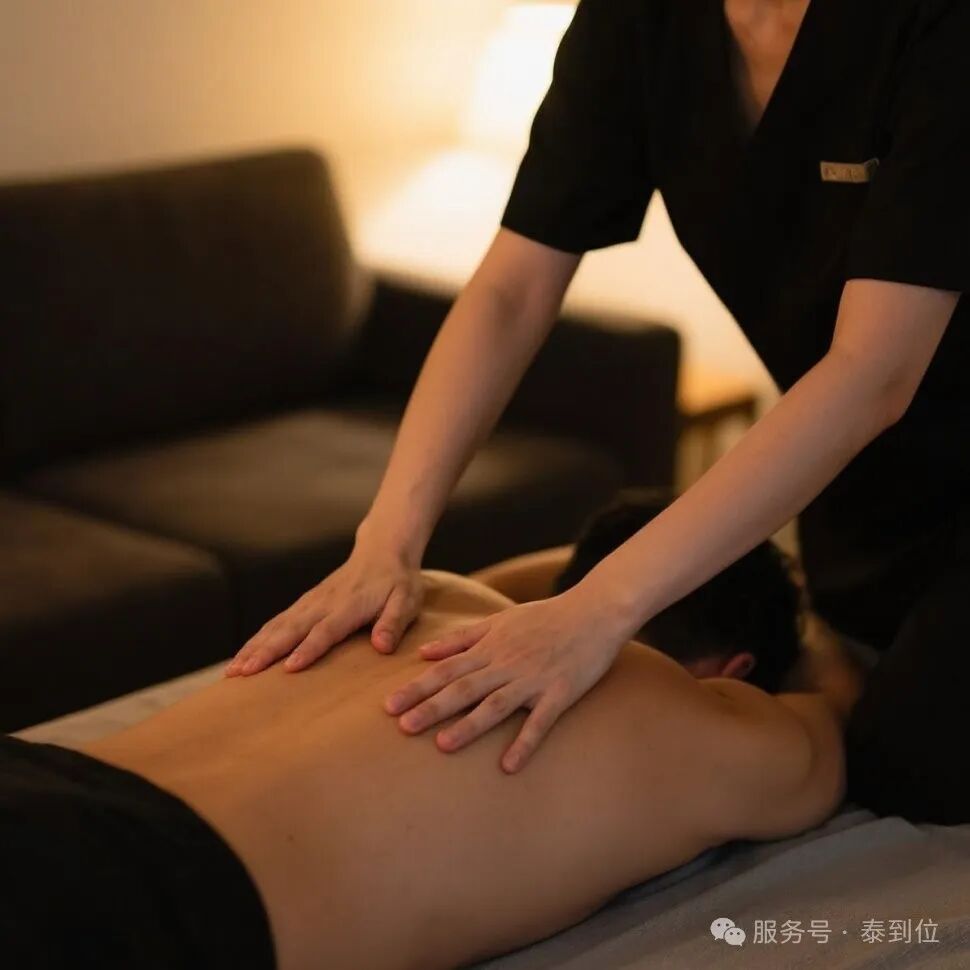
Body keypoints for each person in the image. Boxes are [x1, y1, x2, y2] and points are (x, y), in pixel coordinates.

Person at [228, 0, 969, 823]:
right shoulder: (643, 22)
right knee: (822, 674)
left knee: (906, 772)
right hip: (859, 482)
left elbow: (874, 371)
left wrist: (598, 610)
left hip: (904, 433)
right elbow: (513, 290)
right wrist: (385, 545)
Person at [2, 499, 856, 970]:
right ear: (734, 670)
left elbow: (521, 584)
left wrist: (585, 590)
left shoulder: (427, 596)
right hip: (145, 905)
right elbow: (833, 717)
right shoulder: (683, 720)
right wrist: (805, 636)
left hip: (42, 786)